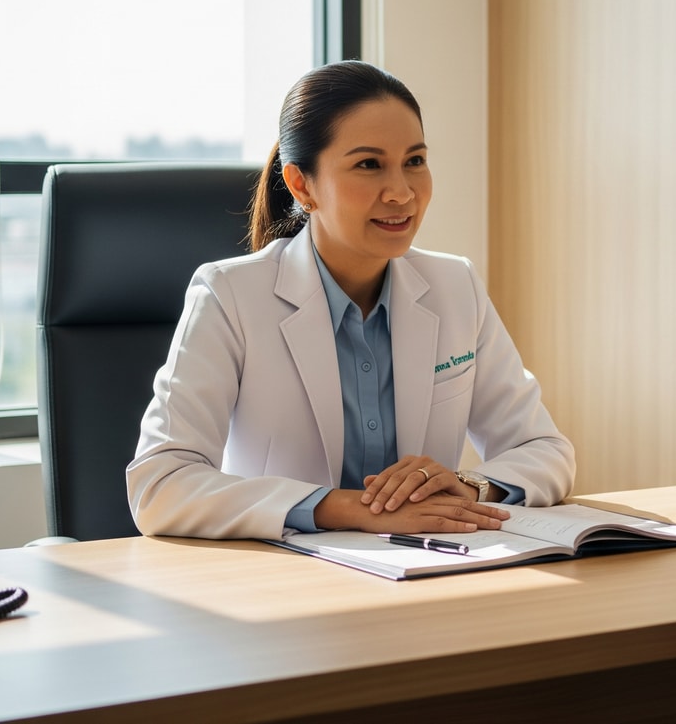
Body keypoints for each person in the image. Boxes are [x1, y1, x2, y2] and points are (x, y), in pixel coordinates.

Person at [128, 60, 576, 540]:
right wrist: (347, 509)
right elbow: (161, 485)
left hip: (431, 571)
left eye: (415, 161)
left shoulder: (454, 285)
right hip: (287, 582)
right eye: (369, 165)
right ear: (302, 184)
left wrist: (468, 486)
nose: (402, 193)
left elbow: (544, 449)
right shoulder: (229, 295)